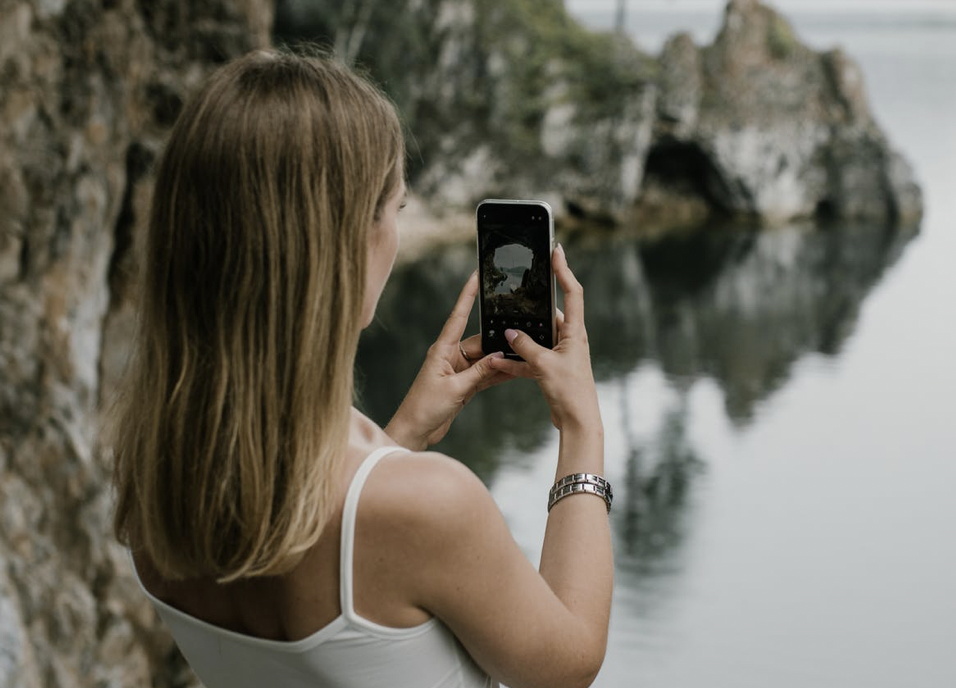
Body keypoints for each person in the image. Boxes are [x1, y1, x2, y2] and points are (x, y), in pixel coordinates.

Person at [111, 49, 612, 688]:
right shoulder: (430, 508)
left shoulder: (155, 464)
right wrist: (582, 429)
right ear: (346, 241)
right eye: (396, 210)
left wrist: (395, 439)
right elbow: (568, 665)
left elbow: (315, 550)